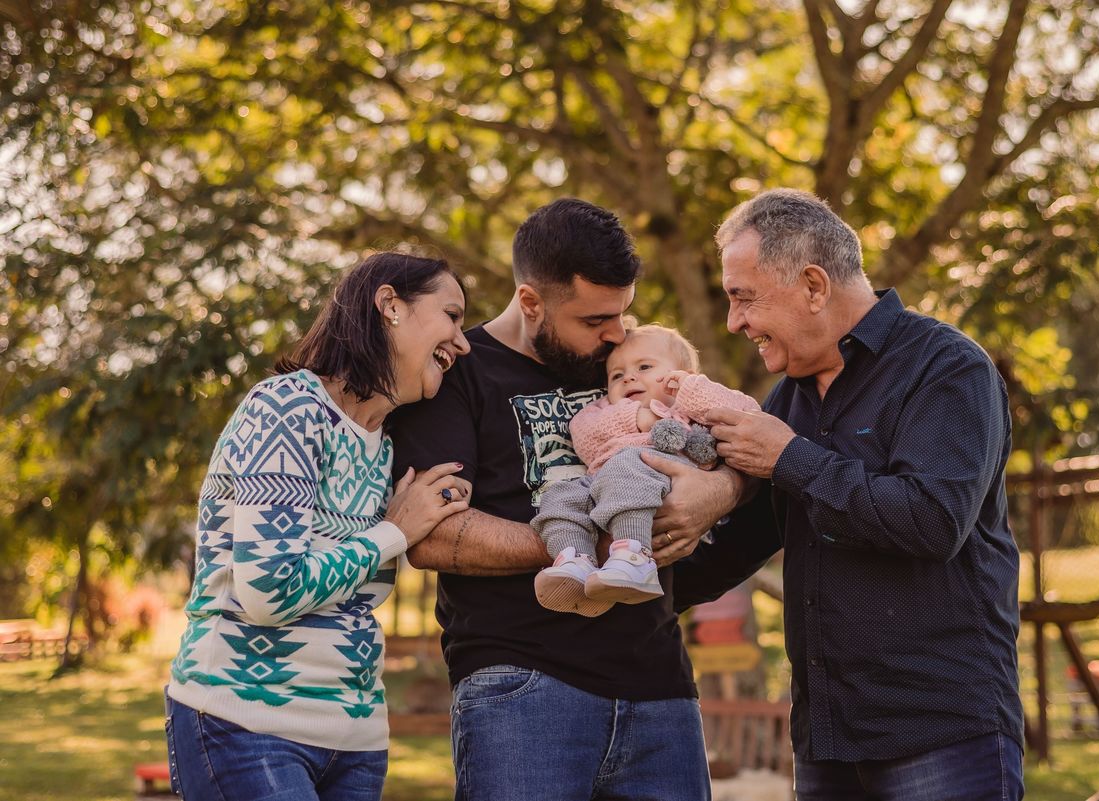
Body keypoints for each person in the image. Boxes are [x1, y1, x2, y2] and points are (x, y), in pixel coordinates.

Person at [671, 189, 1024, 800]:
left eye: (744, 298)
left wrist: (789, 457)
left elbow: (933, 521)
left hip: (940, 735)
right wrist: (621, 586)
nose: (734, 323)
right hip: (827, 743)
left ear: (813, 286)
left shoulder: (947, 368)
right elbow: (739, 545)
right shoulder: (793, 398)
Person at [386, 199, 743, 801]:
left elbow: (731, 439)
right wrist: (587, 545)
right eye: (595, 319)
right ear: (531, 302)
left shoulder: (626, 365)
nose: (616, 334)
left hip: (660, 687)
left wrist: (719, 490)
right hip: (521, 689)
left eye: (622, 313)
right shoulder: (457, 377)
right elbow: (435, 536)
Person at [165, 252, 472, 801]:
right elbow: (268, 590)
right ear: (390, 306)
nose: (463, 341)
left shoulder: (385, 448)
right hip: (246, 725)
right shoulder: (288, 408)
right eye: (452, 315)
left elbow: (356, 593)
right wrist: (393, 533)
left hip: (357, 739)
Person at [532, 322, 759, 615]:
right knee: (559, 496)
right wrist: (638, 417)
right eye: (617, 375)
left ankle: (634, 558)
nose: (628, 378)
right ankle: (575, 560)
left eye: (644, 367)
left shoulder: (691, 407)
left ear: (681, 376)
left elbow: (747, 413)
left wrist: (691, 389)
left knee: (630, 466)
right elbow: (585, 437)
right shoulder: (605, 409)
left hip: (662, 474)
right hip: (601, 481)